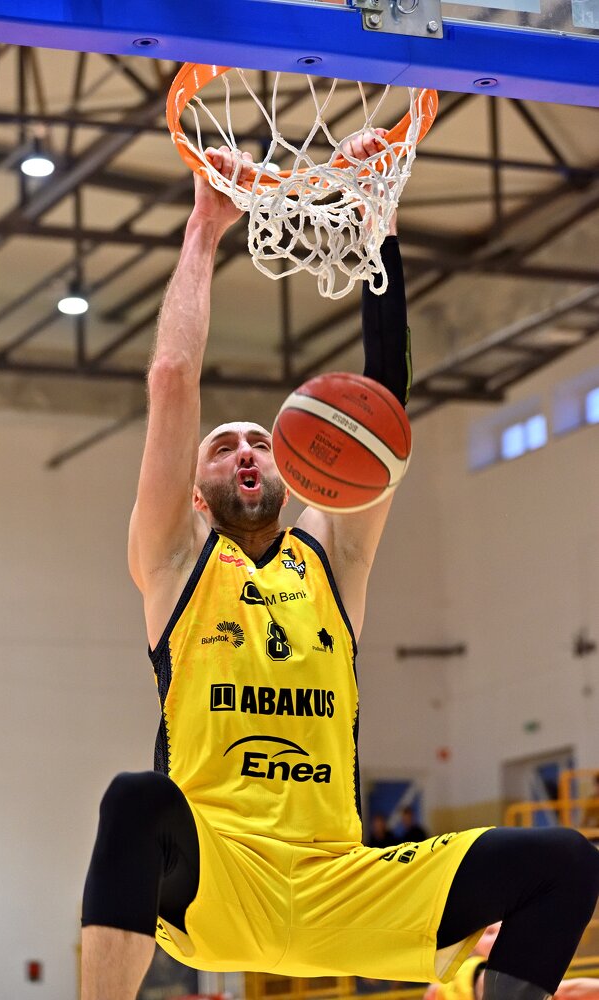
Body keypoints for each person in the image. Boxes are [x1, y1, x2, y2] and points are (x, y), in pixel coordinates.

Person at [79, 134, 599, 1000]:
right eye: (223, 447)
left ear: (295, 469)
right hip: (220, 876)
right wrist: (205, 229)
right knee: (135, 799)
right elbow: (171, 377)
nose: (246, 449)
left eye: (259, 440)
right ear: (197, 494)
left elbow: (384, 396)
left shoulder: (332, 557)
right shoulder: (174, 560)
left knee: (565, 859)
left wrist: (377, 221)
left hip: (343, 885)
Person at [425, 924, 599, 1000]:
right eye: (490, 932)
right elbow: (565, 991)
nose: (501, 936)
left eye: (508, 929)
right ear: (474, 945)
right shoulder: (462, 971)